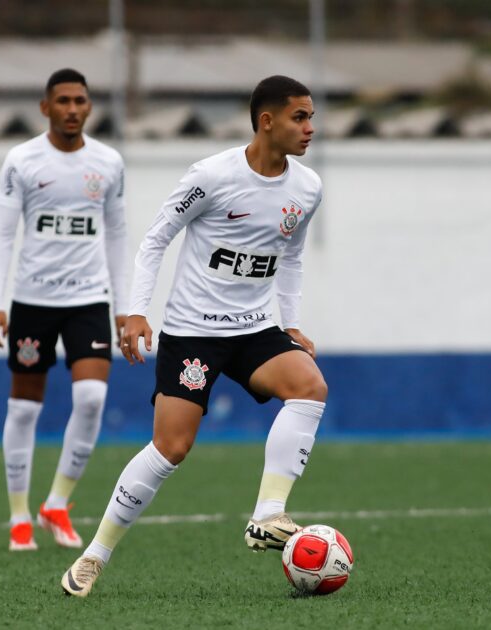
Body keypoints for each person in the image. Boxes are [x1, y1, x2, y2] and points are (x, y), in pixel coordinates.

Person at [61, 75, 327, 597]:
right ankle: (95, 555)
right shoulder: (212, 176)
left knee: (310, 386)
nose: (310, 128)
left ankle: (268, 513)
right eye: (300, 117)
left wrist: (290, 322)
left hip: (255, 329)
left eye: (312, 117)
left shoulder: (308, 187)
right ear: (267, 121)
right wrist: (137, 313)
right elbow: (155, 240)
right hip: (193, 333)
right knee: (171, 448)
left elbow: (291, 256)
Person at [0, 68, 128, 552]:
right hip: (32, 302)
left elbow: (117, 235)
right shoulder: (21, 160)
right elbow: (4, 234)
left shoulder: (109, 163)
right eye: (63, 100)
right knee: (25, 407)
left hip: (88, 300)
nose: (72, 108)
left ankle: (57, 504)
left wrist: (124, 309)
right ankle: (19, 515)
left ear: (90, 107)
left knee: (91, 399)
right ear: (45, 107)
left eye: (80, 100)